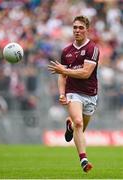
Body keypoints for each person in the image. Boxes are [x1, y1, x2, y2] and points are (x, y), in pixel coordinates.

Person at [48, 15, 100, 173]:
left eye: (80, 28)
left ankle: (69, 126)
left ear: (87, 30)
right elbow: (62, 76)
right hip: (73, 92)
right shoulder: (66, 51)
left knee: (79, 127)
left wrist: (64, 70)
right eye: (75, 28)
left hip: (90, 94)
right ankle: (84, 160)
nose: (77, 30)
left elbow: (85, 73)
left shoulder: (92, 49)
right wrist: (62, 93)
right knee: (79, 122)